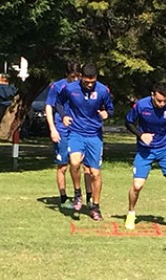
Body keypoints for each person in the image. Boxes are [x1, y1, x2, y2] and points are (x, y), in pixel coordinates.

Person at [124, 82, 166, 230]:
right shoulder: (141, 106)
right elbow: (128, 122)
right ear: (152, 95)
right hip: (145, 150)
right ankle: (131, 213)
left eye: (164, 101)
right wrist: (141, 135)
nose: (162, 104)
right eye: (159, 100)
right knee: (137, 185)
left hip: (164, 149)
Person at [57, 64, 114, 221]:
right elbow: (59, 103)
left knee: (95, 173)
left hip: (94, 135)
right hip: (76, 133)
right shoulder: (70, 88)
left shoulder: (102, 90)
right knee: (74, 163)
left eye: (92, 82)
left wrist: (105, 114)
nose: (89, 85)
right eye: (87, 81)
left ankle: (95, 206)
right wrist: (63, 116)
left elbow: (110, 109)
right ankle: (77, 193)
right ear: (81, 77)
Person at [46, 62, 92, 208]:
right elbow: (49, 106)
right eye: (73, 76)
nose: (76, 79)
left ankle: (88, 198)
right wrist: (53, 129)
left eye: (78, 76)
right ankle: (64, 198)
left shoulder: (84, 87)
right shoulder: (58, 87)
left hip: (79, 129)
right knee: (63, 165)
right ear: (67, 75)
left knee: (86, 165)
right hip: (62, 129)